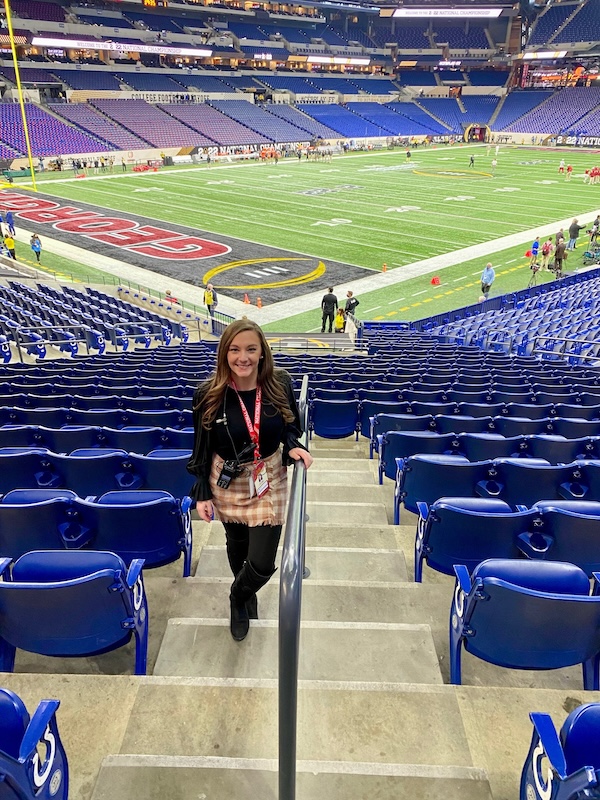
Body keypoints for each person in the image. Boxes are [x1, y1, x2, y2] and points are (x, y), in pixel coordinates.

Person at [187, 319, 313, 641]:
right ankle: (245, 597)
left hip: (268, 474)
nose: (242, 357)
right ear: (224, 353)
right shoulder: (208, 394)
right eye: (234, 349)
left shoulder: (278, 382)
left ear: (261, 353)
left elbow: (289, 425)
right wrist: (201, 493)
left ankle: (238, 594)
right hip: (227, 478)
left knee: (262, 561)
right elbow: (202, 445)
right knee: (237, 543)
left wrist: (293, 447)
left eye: (250, 349)